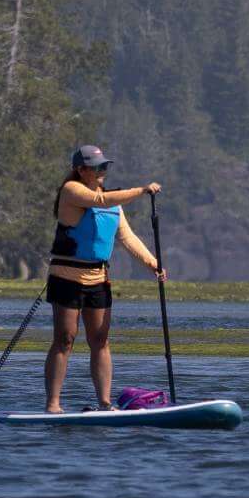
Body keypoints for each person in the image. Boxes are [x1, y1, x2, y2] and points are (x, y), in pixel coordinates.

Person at [41, 144, 164, 413]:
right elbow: (98, 201)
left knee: (101, 341)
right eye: (96, 167)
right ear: (80, 170)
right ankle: (53, 405)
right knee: (65, 339)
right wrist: (142, 190)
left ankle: (105, 404)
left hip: (98, 278)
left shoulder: (113, 204)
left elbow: (128, 238)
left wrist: (154, 264)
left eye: (104, 167)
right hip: (66, 276)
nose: (101, 172)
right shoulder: (71, 191)